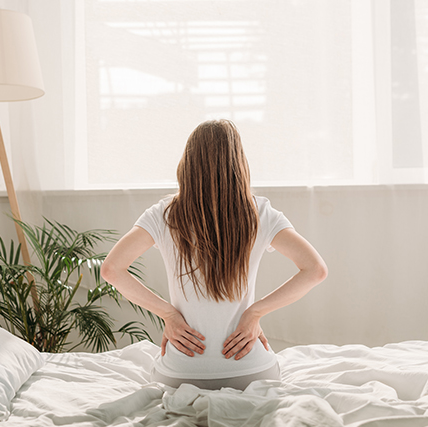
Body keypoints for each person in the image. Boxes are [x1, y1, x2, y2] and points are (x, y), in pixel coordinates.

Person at [100, 119, 328, 391]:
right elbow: (315, 269)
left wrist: (169, 316)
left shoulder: (164, 214)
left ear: (188, 163)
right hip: (250, 370)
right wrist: (255, 314)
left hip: (180, 372)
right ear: (238, 163)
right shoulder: (259, 213)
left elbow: (111, 269)